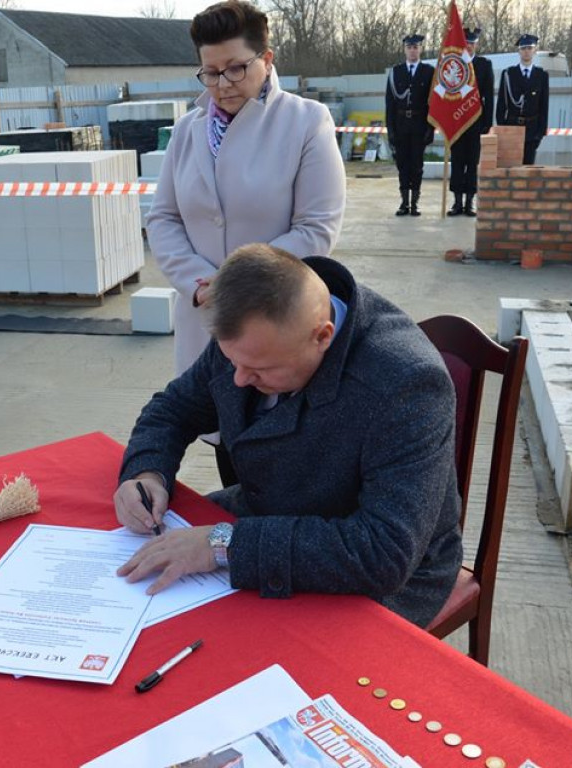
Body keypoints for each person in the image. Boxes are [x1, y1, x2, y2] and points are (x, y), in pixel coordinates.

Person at [113, 244, 463, 628]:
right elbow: (173, 409)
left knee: (237, 656)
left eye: (260, 369)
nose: (239, 380)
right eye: (233, 362)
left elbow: (383, 552)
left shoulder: (404, 383)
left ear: (322, 336)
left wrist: (224, 544)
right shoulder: (251, 328)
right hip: (271, 515)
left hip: (381, 573)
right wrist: (147, 472)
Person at [148, 0, 345, 379]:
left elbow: (316, 228)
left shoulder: (305, 122)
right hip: (203, 318)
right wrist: (200, 284)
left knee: (271, 429)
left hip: (275, 321)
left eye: (236, 68)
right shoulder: (188, 130)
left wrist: (234, 284)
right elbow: (163, 218)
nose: (223, 84)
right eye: (211, 72)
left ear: (266, 59)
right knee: (210, 421)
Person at [385, 34, 436, 217]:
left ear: (420, 49)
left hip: (419, 125)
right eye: (409, 47)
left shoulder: (429, 72)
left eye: (416, 47)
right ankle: (404, 202)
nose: (412, 50)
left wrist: (430, 129)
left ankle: (415, 203)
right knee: (402, 165)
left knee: (417, 166)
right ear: (404, 49)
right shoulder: (396, 72)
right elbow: (390, 104)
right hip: (400, 125)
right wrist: (390, 130)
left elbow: (433, 103)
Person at [447, 27, 494, 217]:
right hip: (457, 122)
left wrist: (487, 124)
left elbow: (489, 96)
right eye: (466, 43)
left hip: (476, 123)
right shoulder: (454, 64)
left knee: (472, 163)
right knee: (457, 162)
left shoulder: (484, 65)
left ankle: (469, 203)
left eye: (472, 43)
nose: (469, 46)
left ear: (476, 44)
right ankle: (457, 202)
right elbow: (448, 95)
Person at [495, 34, 549, 165]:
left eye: (529, 48)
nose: (526, 51)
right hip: (512, 126)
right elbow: (501, 103)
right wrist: (502, 127)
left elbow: (544, 105)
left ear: (535, 50)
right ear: (519, 51)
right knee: (510, 167)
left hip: (532, 129)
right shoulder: (509, 74)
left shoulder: (541, 75)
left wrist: (540, 133)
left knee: (528, 168)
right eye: (523, 48)